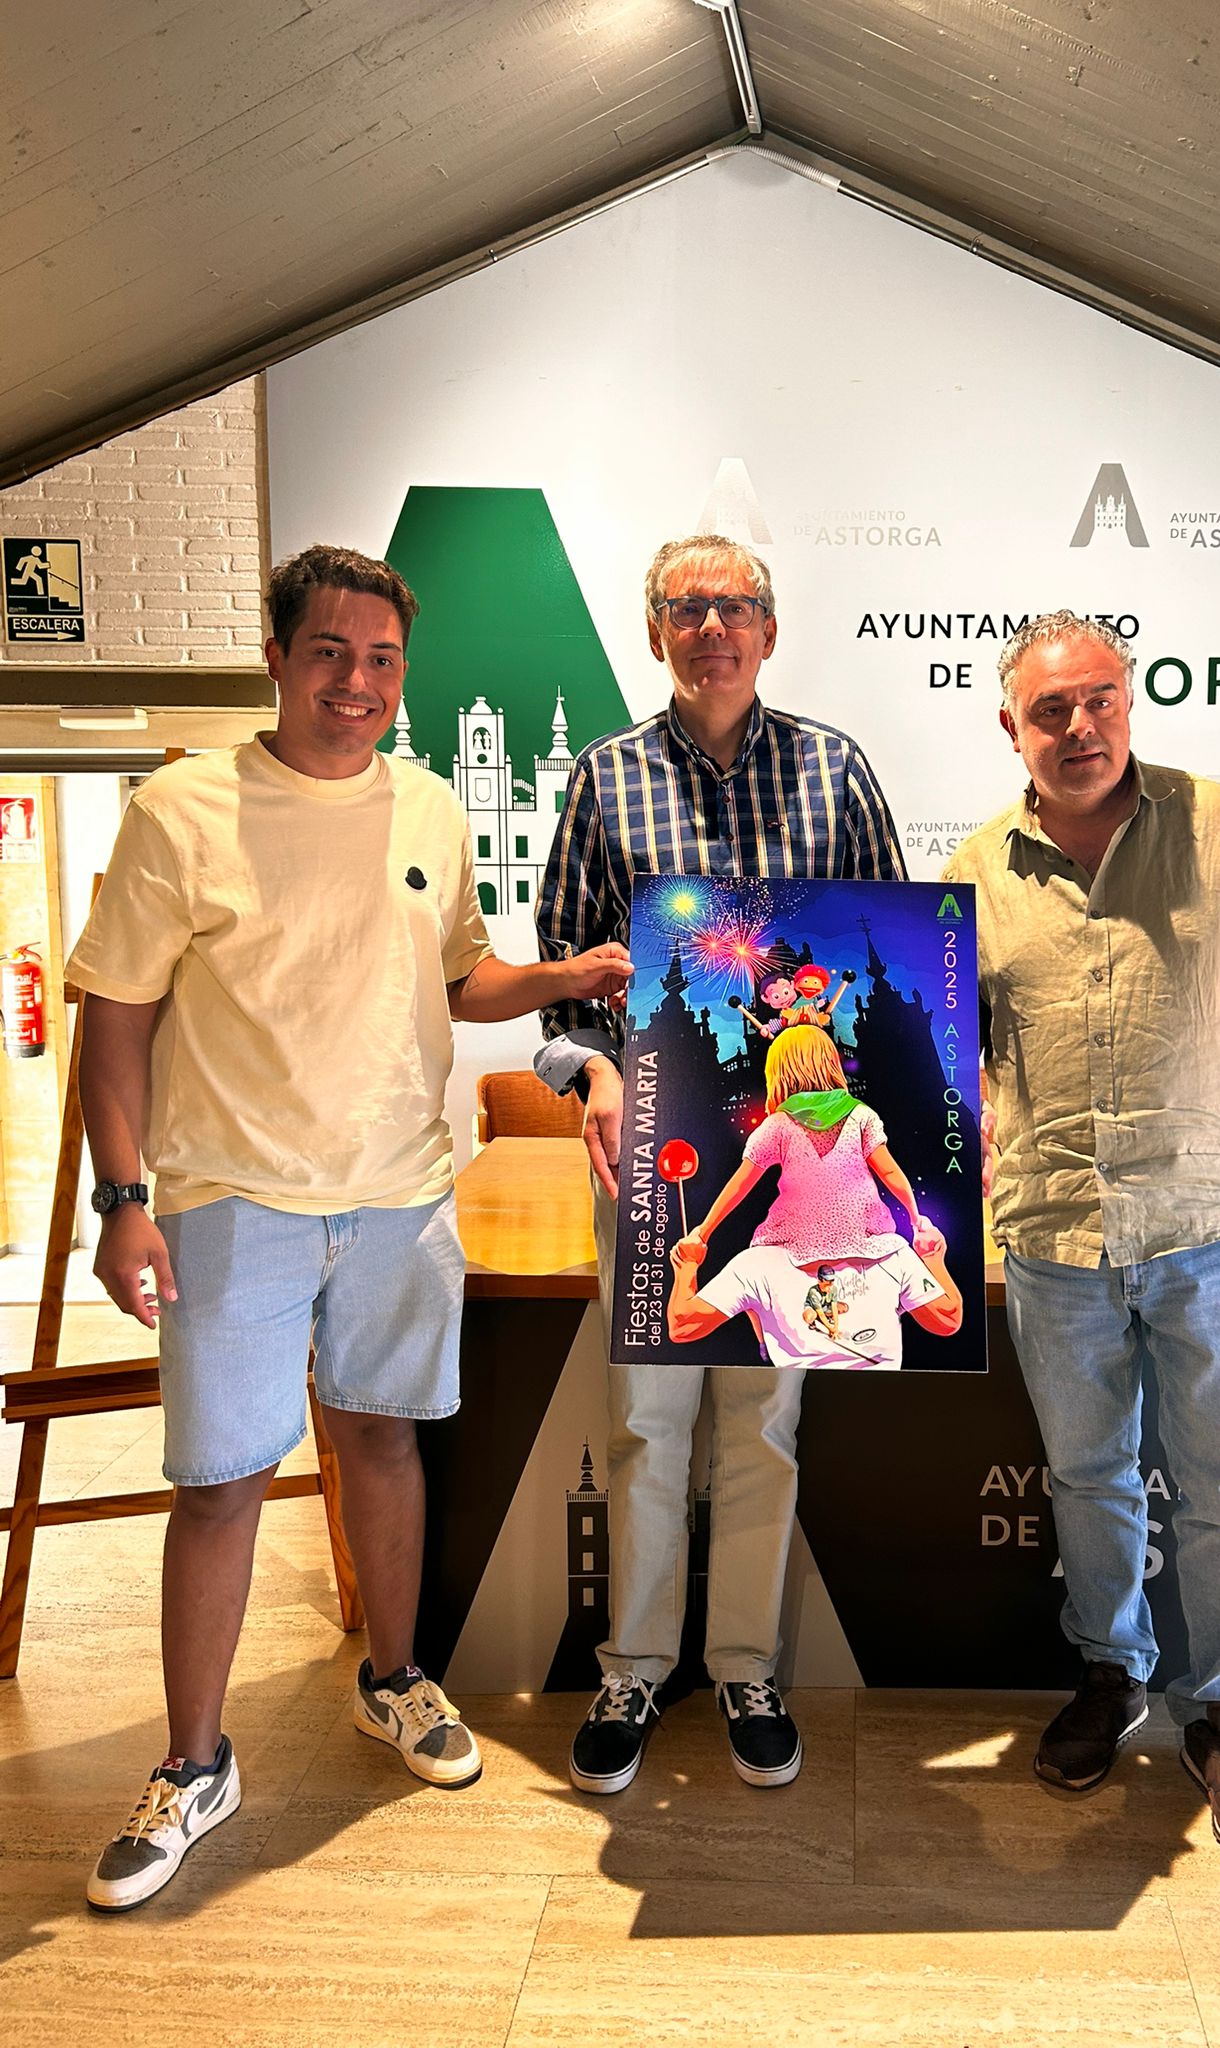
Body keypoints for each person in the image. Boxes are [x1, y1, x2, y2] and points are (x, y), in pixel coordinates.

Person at [68, 543, 629, 1912]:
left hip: (398, 1192)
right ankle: (195, 1764)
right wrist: (123, 1200)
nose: (358, 682)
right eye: (330, 653)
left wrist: (563, 976)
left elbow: (460, 973)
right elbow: (116, 1018)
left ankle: (394, 1677)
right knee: (218, 1486)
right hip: (230, 1201)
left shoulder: (428, 809)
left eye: (382, 660)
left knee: (383, 1435)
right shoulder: (183, 811)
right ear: (277, 656)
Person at [942, 610, 1220, 1859]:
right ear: (1009, 723)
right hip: (1053, 1237)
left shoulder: (1218, 822)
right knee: (1088, 1476)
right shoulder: (972, 868)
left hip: (1205, 1226)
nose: (1079, 726)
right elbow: (950, 1060)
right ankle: (1113, 1675)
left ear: (1130, 699)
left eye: (1099, 699)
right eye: (1050, 709)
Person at [535, 531, 905, 1795]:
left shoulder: (836, 773)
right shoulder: (604, 778)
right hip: (658, 1162)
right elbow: (562, 983)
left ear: (770, 627)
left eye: (736, 605)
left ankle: (745, 1661)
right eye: (686, 608)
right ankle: (635, 1663)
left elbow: (895, 952)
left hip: (809, 1172)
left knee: (767, 1424)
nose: (713, 627)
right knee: (647, 1422)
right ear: (654, 633)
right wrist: (585, 1070)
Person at [678, 1023, 939, 1268]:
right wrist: (916, 1219)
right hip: (865, 1240)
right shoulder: (860, 1115)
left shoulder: (779, 1123)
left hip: (796, 1247)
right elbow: (890, 1172)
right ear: (831, 1064)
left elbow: (740, 1184)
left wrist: (703, 1232)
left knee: (749, 1276)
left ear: (779, 1072)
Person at [666, 1226, 962, 1372]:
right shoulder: (758, 1262)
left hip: (872, 1414)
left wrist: (687, 1266)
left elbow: (684, 1323)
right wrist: (932, 1258)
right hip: (793, 1410)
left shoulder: (893, 1253)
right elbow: (947, 1318)